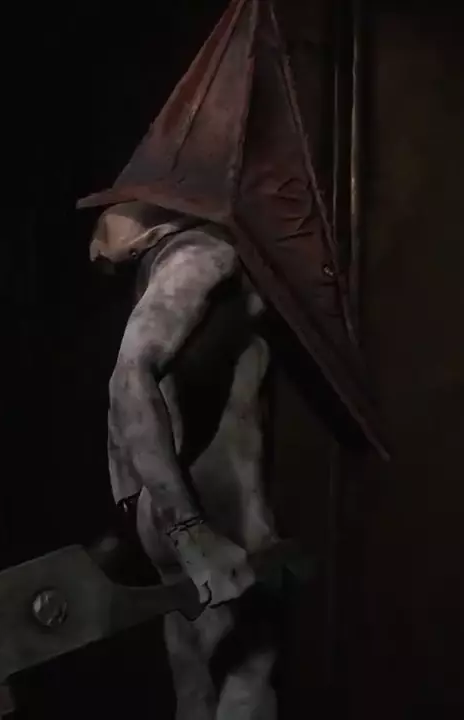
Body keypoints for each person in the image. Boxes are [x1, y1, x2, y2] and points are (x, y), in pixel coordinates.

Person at [91, 199, 279, 719]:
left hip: (180, 502)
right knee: (246, 667)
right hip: (213, 506)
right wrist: (189, 529)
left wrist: (135, 499)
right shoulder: (200, 256)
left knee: (197, 678)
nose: (94, 251)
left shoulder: (169, 267)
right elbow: (130, 376)